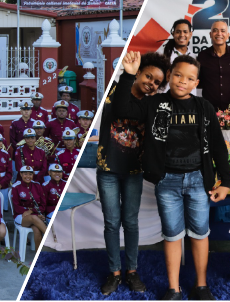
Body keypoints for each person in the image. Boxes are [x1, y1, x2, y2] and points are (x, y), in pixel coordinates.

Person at [115, 54, 230, 300]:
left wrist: (227, 182)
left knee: (200, 233)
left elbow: (219, 146)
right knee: (172, 234)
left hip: (199, 180)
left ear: (196, 83)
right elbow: (122, 108)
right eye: (178, 75)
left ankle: (201, 286)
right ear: (169, 76)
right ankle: (173, 289)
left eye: (189, 78)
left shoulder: (204, 107)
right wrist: (128, 75)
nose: (182, 81)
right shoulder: (155, 103)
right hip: (167, 181)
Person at [96, 51, 168, 295]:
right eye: (148, 76)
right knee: (111, 222)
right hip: (108, 169)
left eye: (157, 82)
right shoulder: (112, 90)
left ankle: (132, 271)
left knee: (130, 222)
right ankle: (115, 273)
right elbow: (119, 108)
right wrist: (127, 75)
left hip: (134, 170)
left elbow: (130, 112)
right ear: (138, 72)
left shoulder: (150, 103)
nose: (151, 83)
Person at [197, 20, 230, 114]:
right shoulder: (202, 56)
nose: (219, 33)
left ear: (228, 35)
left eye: (223, 31)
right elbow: (199, 83)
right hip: (209, 111)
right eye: (215, 30)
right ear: (210, 34)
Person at [11, 167, 49, 251]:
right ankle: (50, 237)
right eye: (25, 174)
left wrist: (32, 211)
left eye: (30, 174)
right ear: (20, 174)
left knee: (37, 231)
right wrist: (34, 215)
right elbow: (16, 207)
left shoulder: (37, 186)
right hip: (21, 216)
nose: (28, 176)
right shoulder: (16, 187)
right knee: (34, 218)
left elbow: (43, 205)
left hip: (35, 216)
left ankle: (38, 256)